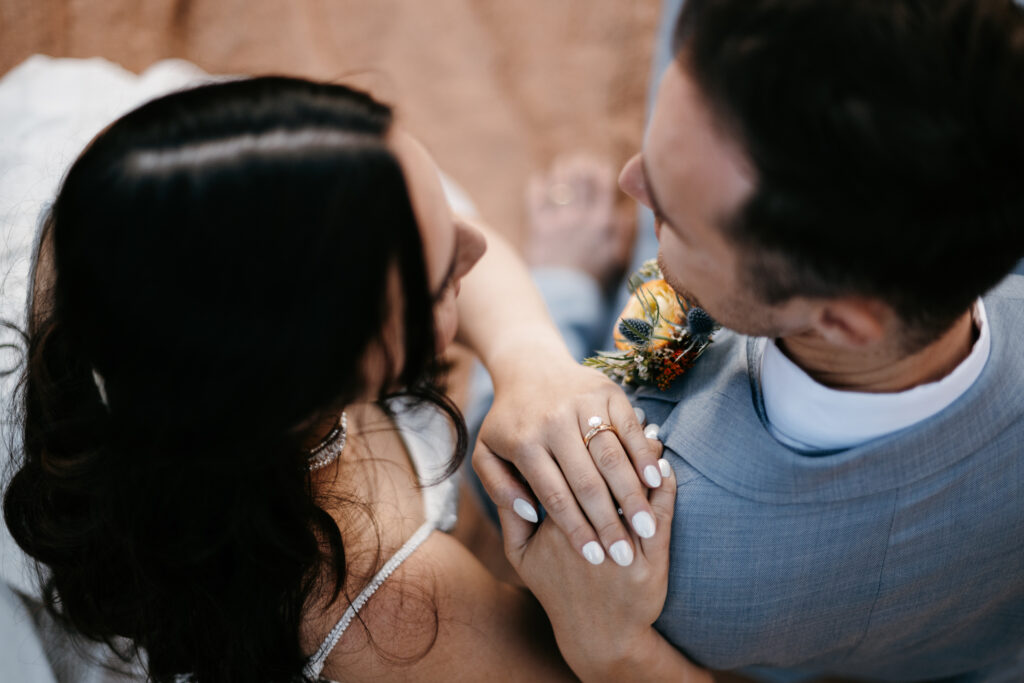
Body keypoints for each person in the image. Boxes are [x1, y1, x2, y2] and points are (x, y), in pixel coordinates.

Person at [0, 76, 706, 682]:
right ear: (314, 381)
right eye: (437, 286)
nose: (480, 244)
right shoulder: (384, 603)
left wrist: (534, 360)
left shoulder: (156, 211)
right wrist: (613, 647)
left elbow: (459, 245)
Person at [475, 0, 1024, 680]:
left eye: (669, 215)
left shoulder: (677, 556)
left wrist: (554, 293)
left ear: (842, 321)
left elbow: (498, 447)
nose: (629, 179)